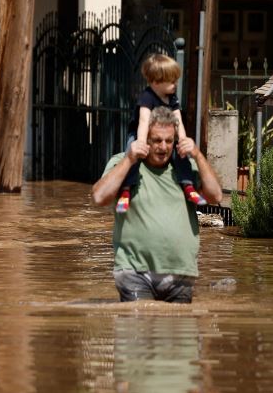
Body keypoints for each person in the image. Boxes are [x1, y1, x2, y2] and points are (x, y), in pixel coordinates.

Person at [91, 106, 222, 303]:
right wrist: (129, 159)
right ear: (144, 139)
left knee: (179, 332)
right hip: (135, 272)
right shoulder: (122, 163)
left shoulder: (186, 167)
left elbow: (215, 196)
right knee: (138, 326)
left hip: (181, 274)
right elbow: (99, 197)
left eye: (169, 141)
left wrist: (197, 154)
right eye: (157, 140)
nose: (163, 147)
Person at [116, 53, 206, 213]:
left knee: (181, 153)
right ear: (156, 82)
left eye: (176, 80)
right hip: (140, 134)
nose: (175, 84)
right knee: (131, 155)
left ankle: (188, 186)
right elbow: (143, 121)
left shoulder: (172, 97)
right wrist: (141, 142)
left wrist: (183, 139)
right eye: (171, 81)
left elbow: (178, 119)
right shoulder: (147, 97)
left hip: (164, 135)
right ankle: (126, 190)